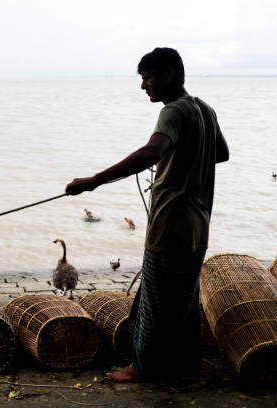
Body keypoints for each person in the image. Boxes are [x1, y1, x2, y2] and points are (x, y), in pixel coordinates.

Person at [65, 47, 229, 382]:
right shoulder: (205, 110)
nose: (144, 86)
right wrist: (184, 161)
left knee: (154, 303)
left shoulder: (173, 111)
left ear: (168, 74)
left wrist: (95, 181)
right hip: (199, 226)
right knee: (183, 303)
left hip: (170, 224)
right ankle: (184, 367)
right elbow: (221, 153)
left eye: (147, 77)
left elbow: (153, 150)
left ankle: (141, 369)